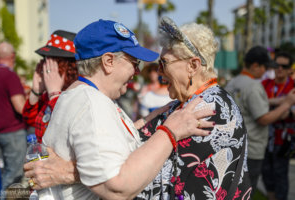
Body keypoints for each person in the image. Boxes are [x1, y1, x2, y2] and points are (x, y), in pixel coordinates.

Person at [25, 17, 253, 200]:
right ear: (107, 62)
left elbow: (148, 180)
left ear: (193, 65)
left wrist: (66, 171)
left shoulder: (211, 107)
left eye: (164, 63)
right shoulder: (179, 106)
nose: (158, 72)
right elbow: (131, 144)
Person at [225, 46, 295, 195]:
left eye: (285, 66)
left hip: (236, 145)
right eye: (266, 67)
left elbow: (252, 104)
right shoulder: (255, 86)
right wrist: (287, 105)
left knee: (234, 189)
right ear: (256, 66)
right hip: (252, 148)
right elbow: (263, 118)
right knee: (247, 191)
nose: (267, 71)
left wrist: (279, 101)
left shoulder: (233, 82)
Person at [22, 30, 78, 143]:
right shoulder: (47, 96)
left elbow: (66, 128)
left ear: (69, 67)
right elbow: (29, 120)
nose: (45, 68)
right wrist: (36, 91)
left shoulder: (79, 94)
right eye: (45, 61)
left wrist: (54, 93)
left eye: (51, 63)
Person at [261, 51, 294, 200]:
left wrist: (268, 105)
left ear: (289, 70)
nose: (279, 68)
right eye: (276, 65)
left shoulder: (293, 86)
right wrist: (285, 103)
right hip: (264, 138)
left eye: (284, 66)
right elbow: (257, 106)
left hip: (284, 139)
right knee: (267, 174)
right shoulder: (264, 84)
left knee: (281, 176)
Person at [0, 42, 27, 197]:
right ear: (12, 56)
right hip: (13, 132)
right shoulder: (10, 76)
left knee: (4, 172)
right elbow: (20, 107)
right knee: (13, 176)